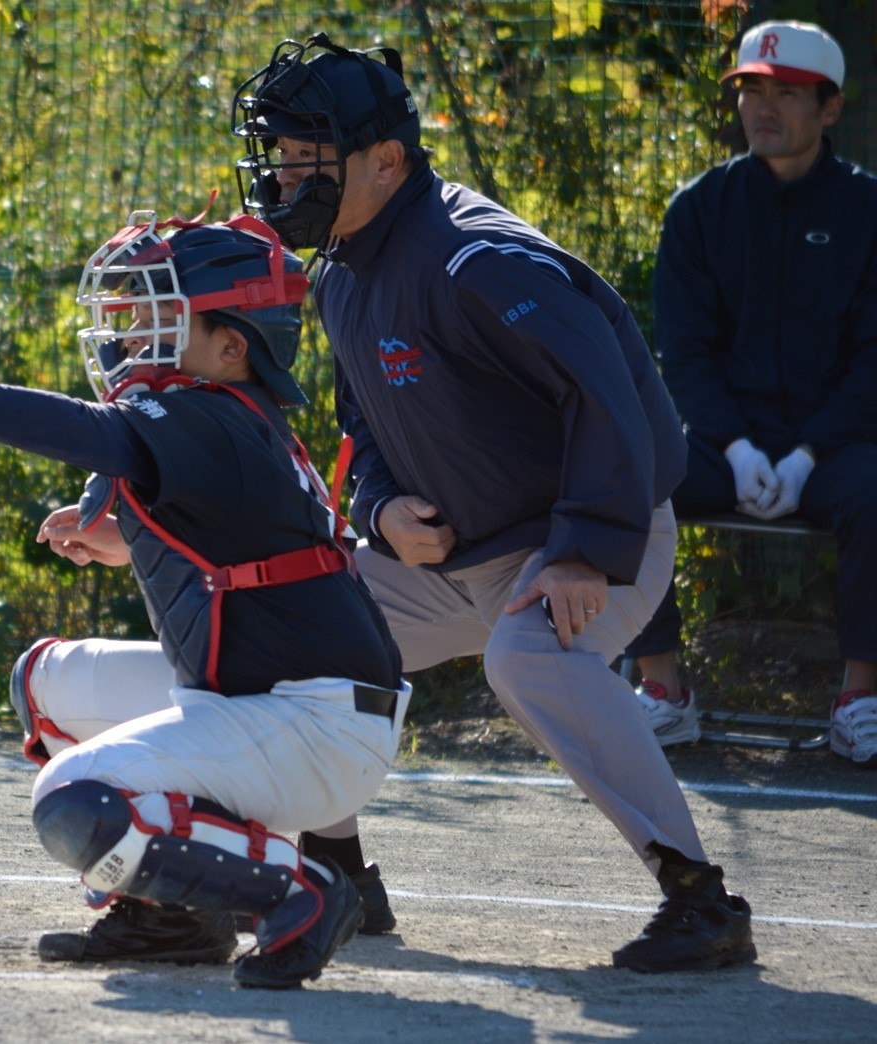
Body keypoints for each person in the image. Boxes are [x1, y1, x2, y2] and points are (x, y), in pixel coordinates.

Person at [224, 30, 754, 974]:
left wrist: (584, 547)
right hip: (453, 558)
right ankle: (340, 878)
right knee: (291, 619)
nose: (285, 174)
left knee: (529, 655)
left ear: (387, 160)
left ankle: (702, 900)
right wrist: (381, 508)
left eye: (310, 155)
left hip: (583, 535)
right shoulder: (344, 262)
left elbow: (614, 395)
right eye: (283, 152)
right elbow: (367, 420)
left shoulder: (473, 258)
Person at [0, 211, 411, 989]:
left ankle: (301, 889)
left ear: (233, 348)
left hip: (317, 726)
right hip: (287, 703)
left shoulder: (213, 414)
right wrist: (130, 539)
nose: (136, 335)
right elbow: (226, 555)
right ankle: (178, 919)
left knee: (72, 801)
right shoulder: (227, 417)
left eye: (165, 316)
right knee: (46, 685)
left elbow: (83, 430)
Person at [620, 20, 877, 766]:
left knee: (875, 491)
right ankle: (665, 691)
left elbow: (873, 363)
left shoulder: (868, 213)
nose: (764, 108)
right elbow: (685, 355)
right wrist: (731, 447)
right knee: (630, 475)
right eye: (751, 90)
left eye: (787, 93)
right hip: (718, 440)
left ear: (829, 109)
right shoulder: (697, 211)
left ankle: (860, 699)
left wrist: (806, 456)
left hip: (834, 449)